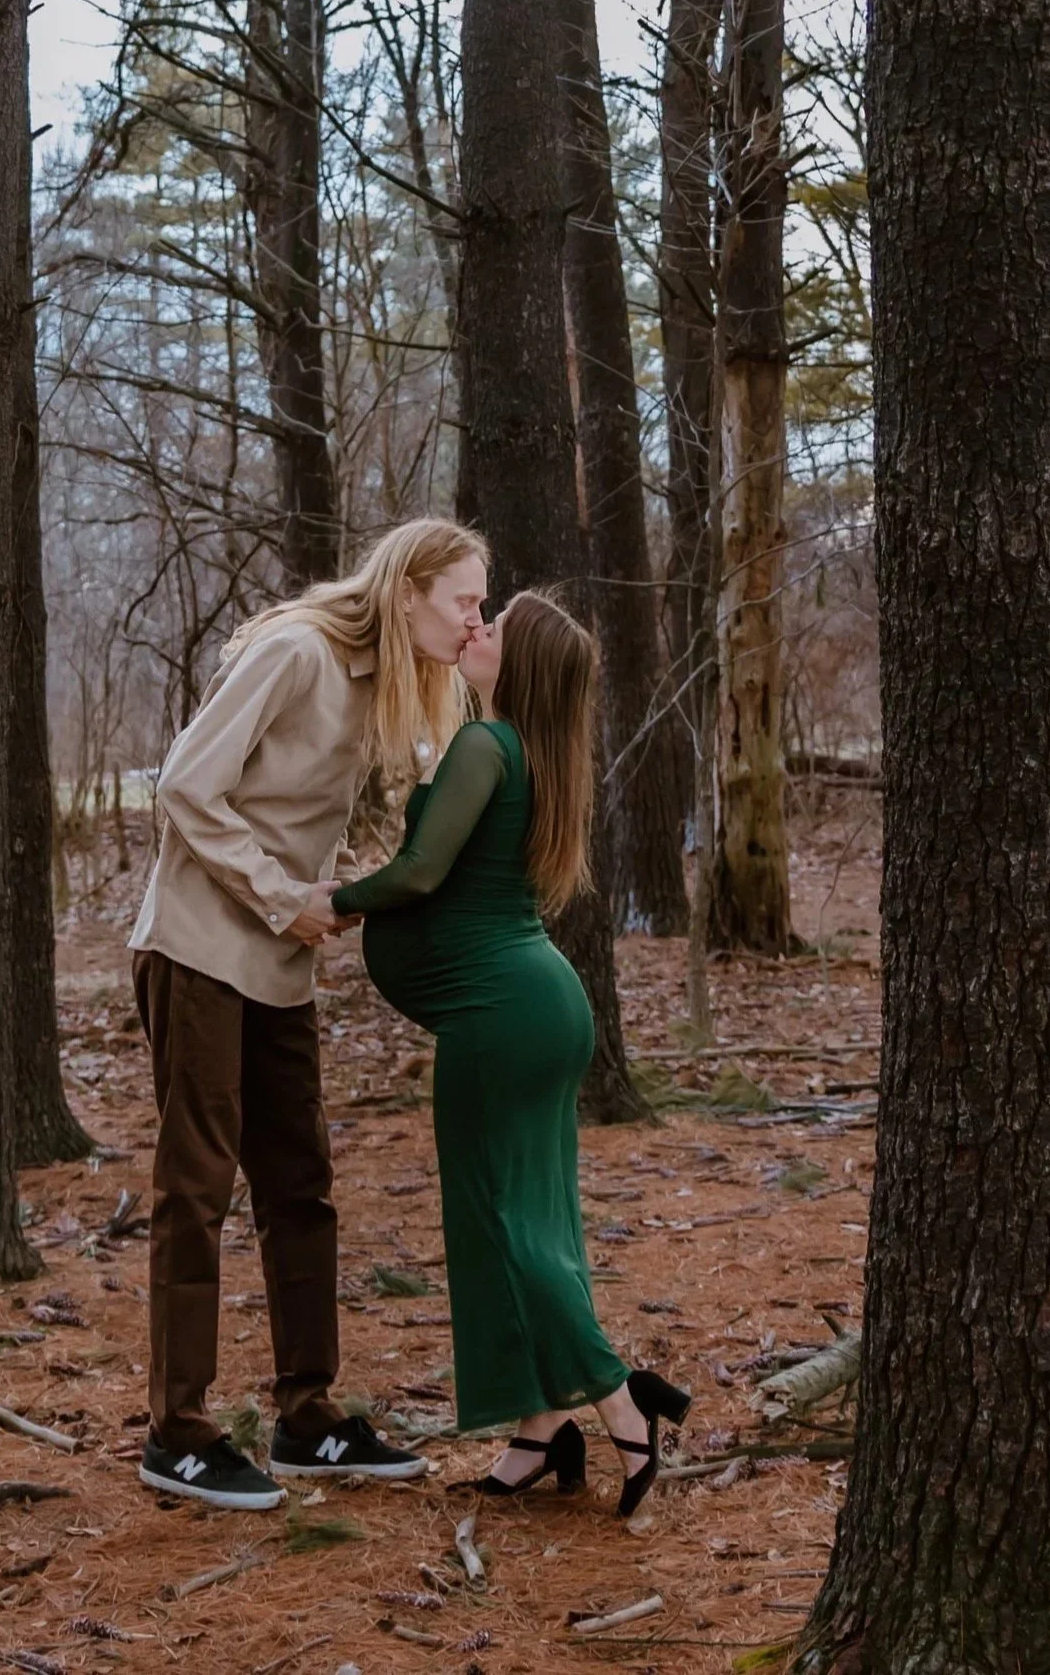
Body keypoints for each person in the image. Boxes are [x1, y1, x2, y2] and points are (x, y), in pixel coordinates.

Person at [129, 516, 490, 1509]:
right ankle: (179, 1429)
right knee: (195, 1185)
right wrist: (278, 893)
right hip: (200, 946)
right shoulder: (295, 650)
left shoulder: (401, 683)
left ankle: (306, 1415)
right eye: (463, 599)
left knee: (302, 1184)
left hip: (280, 966)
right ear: (408, 586)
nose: (473, 618)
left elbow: (436, 795)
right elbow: (187, 784)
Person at [331, 590, 691, 1514]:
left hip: (501, 1019)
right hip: (540, 1010)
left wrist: (330, 900)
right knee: (536, 1224)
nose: (477, 628)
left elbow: (417, 873)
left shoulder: (486, 748)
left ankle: (620, 1403)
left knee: (503, 1225)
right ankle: (538, 1429)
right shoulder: (534, 756)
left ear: (520, 663)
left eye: (499, 626)